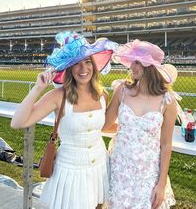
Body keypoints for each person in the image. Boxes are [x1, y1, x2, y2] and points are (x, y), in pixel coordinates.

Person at [11, 31, 118, 209]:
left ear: (93, 64)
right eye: (76, 64)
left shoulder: (102, 94)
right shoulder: (58, 96)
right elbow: (17, 123)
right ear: (68, 68)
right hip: (71, 171)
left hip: (100, 166)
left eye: (87, 62)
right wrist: (37, 88)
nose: (83, 69)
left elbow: (99, 127)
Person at [103, 39, 179, 209]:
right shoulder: (122, 90)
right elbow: (104, 124)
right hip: (120, 169)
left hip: (148, 174)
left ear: (149, 66)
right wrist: (98, 97)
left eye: (137, 62)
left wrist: (161, 184)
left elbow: (166, 145)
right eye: (132, 62)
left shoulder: (167, 100)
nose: (132, 66)